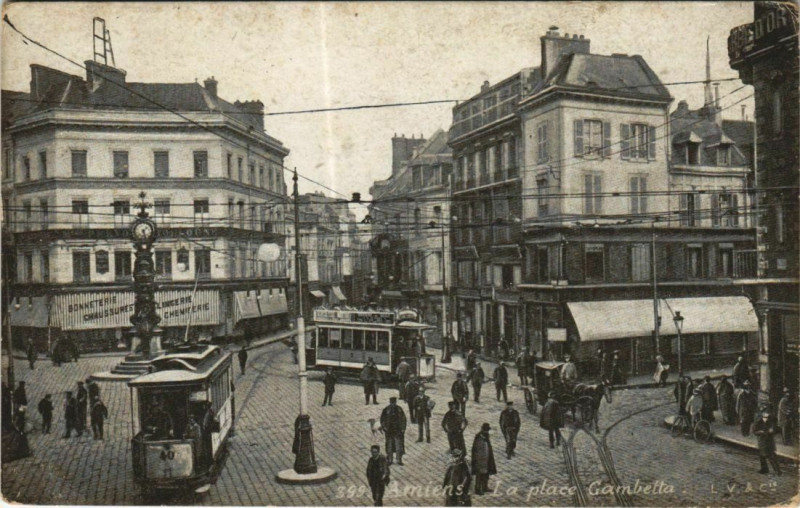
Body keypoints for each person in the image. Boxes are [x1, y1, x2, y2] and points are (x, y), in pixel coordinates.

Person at [470, 423, 496, 495]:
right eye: (486, 430)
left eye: (487, 430)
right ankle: (478, 489)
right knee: (479, 475)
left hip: (487, 458)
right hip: (480, 460)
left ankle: (485, 487)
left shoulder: (486, 436)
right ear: (482, 430)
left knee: (486, 475)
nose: (487, 432)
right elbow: (476, 451)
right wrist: (478, 461)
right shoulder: (478, 437)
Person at [753, 410, 781, 475]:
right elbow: (754, 431)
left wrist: (772, 431)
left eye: (767, 416)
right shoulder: (758, 421)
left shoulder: (772, 421)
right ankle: (764, 469)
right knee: (761, 455)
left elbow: (777, 429)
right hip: (761, 441)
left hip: (769, 441)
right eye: (764, 416)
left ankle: (777, 470)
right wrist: (760, 432)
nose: (765, 418)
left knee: (772, 456)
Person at [380, 397, 407, 465]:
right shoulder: (386, 410)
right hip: (389, 431)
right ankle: (390, 459)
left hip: (398, 430)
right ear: (390, 402)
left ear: (395, 402)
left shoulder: (399, 409)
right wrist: (384, 427)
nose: (393, 404)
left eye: (394, 403)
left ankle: (399, 460)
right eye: (392, 403)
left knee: (398, 446)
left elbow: (404, 419)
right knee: (389, 446)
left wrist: (403, 428)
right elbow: (382, 419)